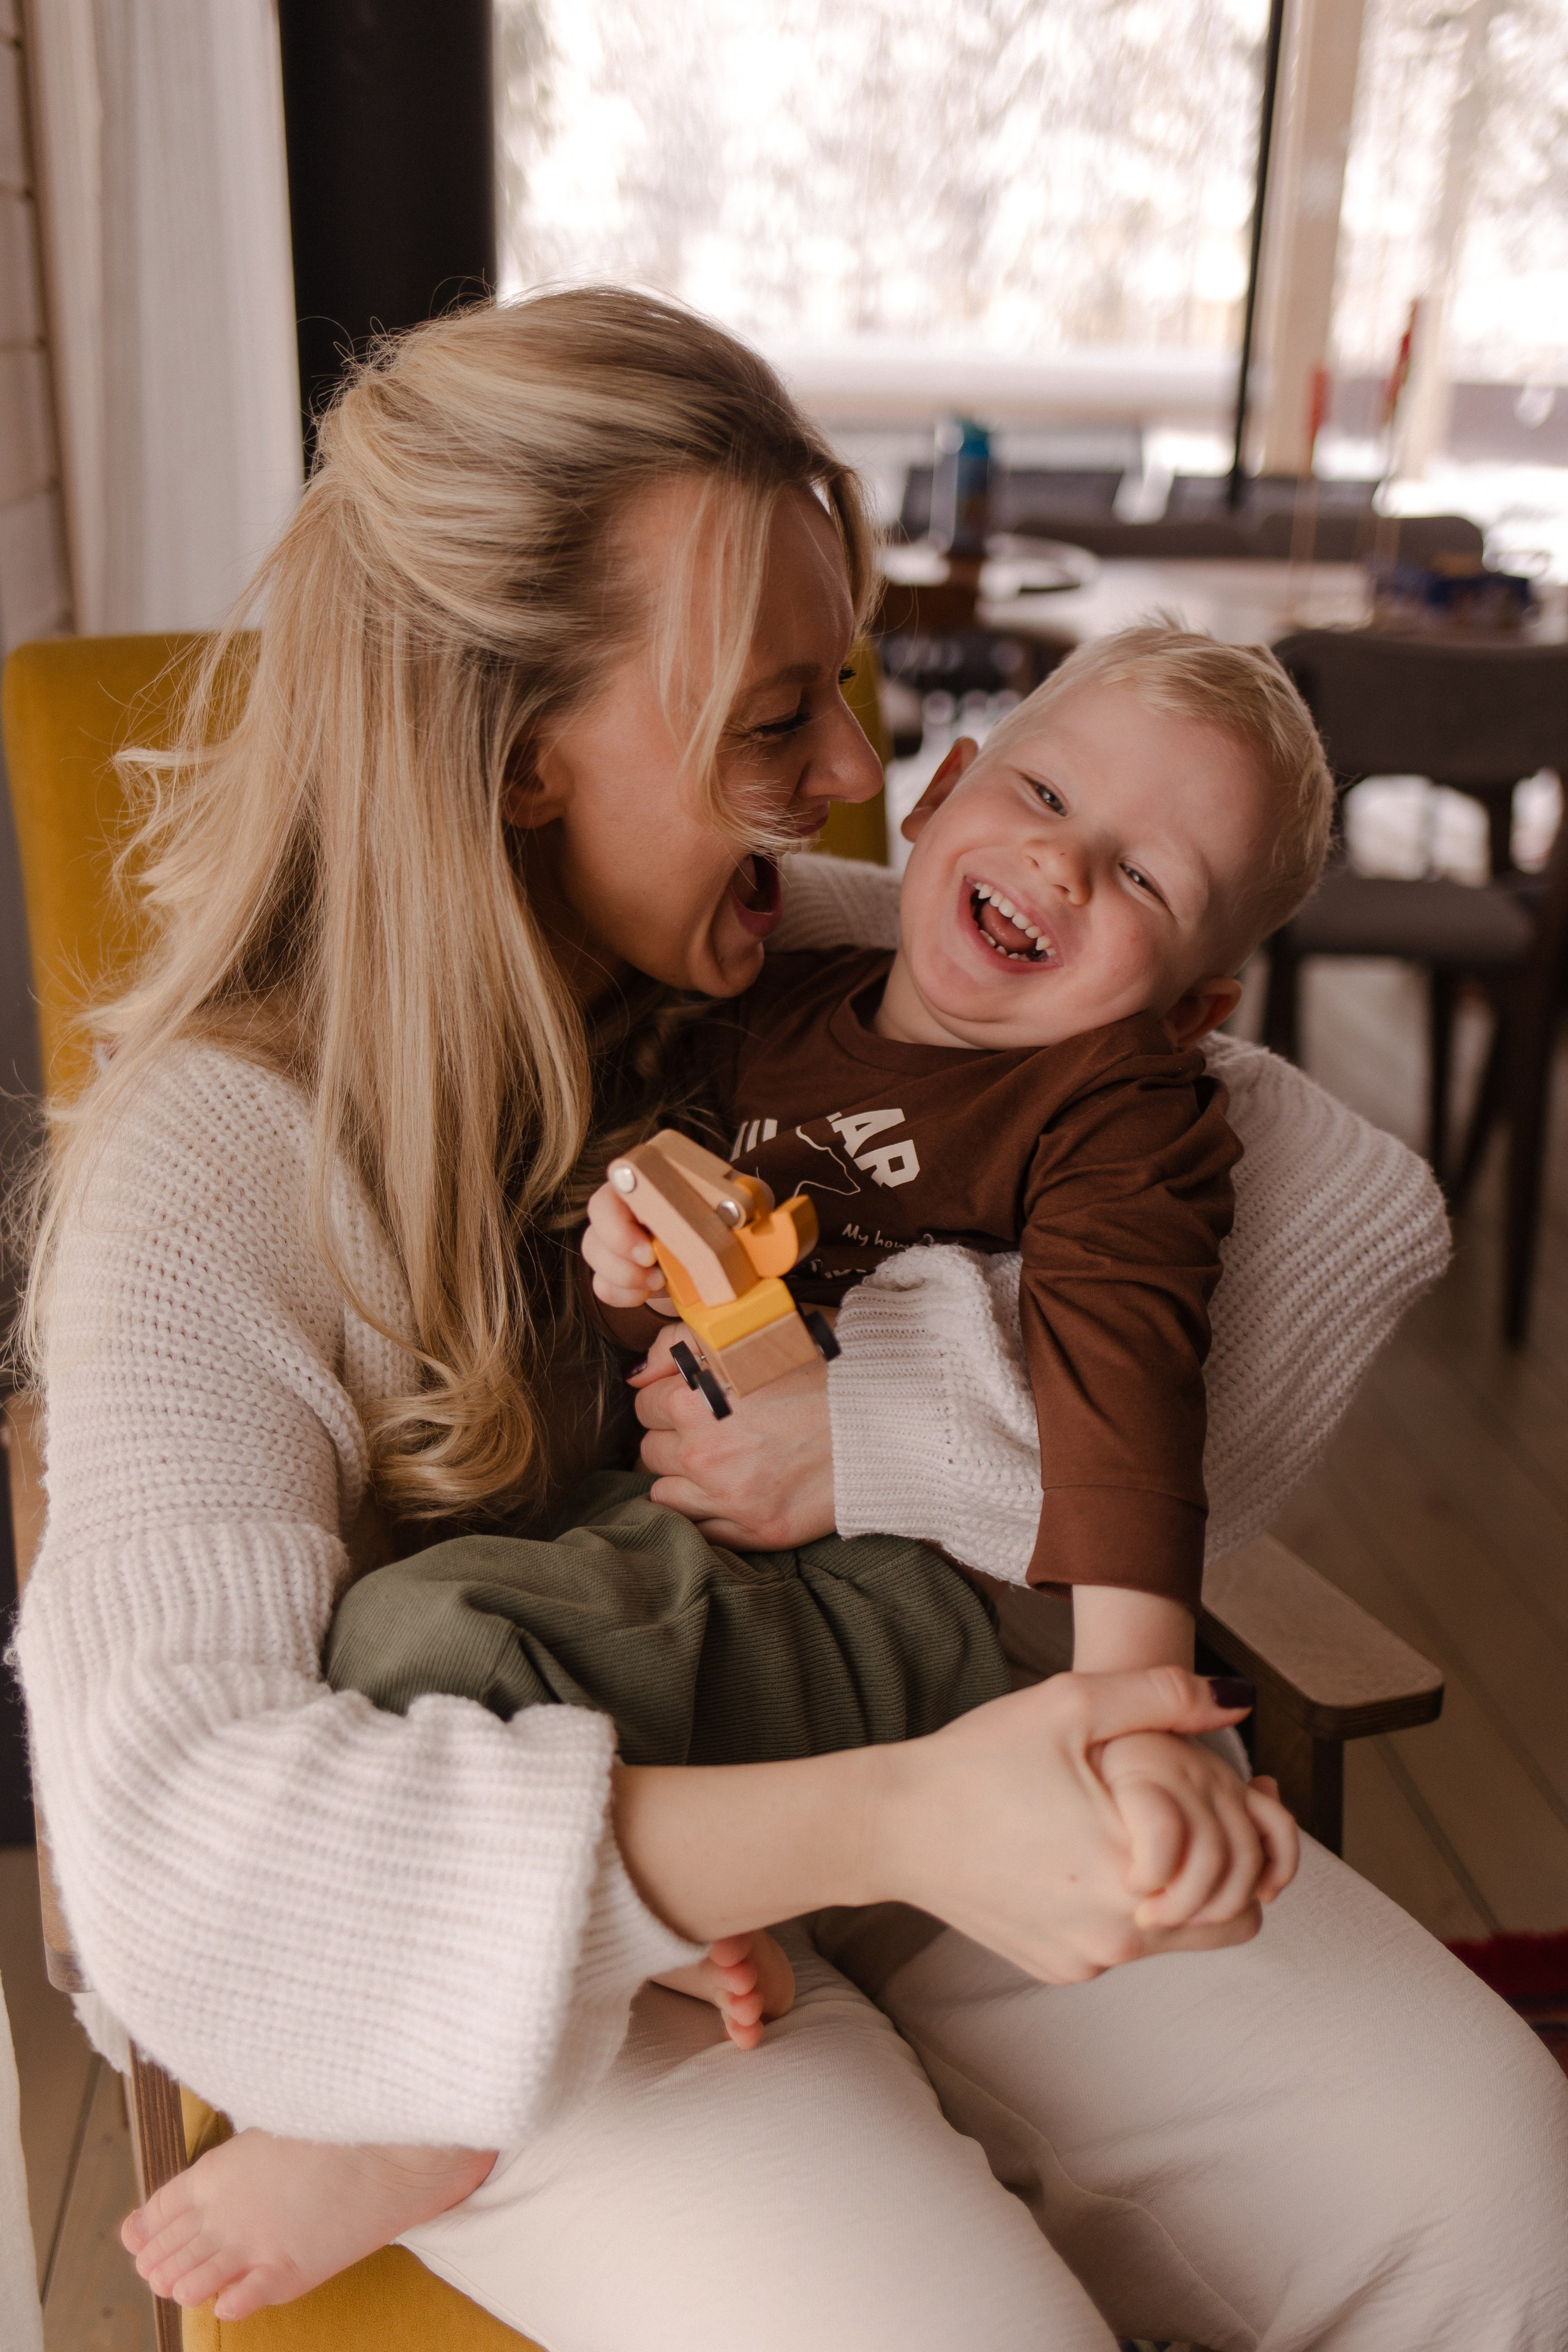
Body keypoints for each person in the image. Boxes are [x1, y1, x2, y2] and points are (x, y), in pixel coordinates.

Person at [14, 290, 1566, 2352]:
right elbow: (172, 1858)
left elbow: (1329, 1196)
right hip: (513, 1921)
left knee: (1488, 2178)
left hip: (882, 1699)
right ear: (514, 760)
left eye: (844, 693)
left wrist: (884, 1425)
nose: (862, 780)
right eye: (775, 720)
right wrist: (892, 1814)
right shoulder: (210, 1164)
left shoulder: (814, 952)